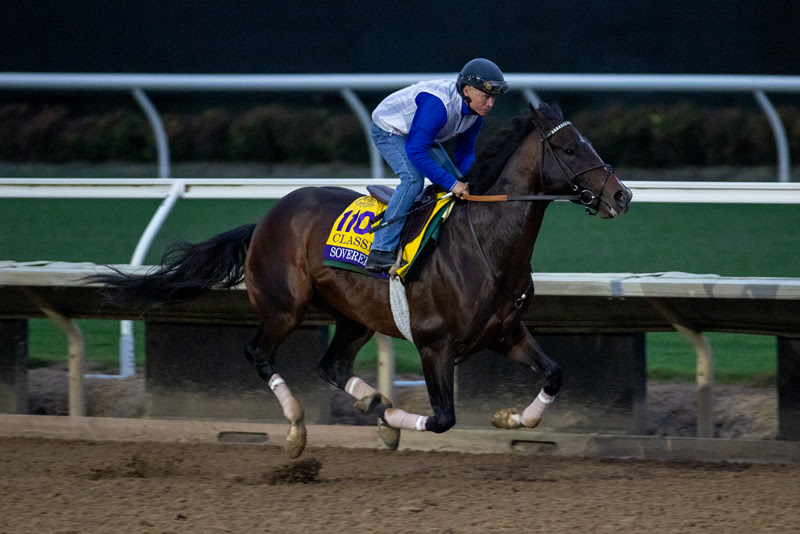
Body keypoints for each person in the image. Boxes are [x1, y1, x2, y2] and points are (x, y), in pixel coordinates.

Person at [364, 58, 509, 273]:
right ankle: (381, 250)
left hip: (419, 137)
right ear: (467, 90)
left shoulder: (476, 114)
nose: (490, 104)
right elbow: (415, 151)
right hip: (389, 130)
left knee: (461, 183)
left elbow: (464, 153)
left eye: (493, 98)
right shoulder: (438, 105)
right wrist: (451, 183)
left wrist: (467, 180)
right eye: (486, 97)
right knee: (413, 179)